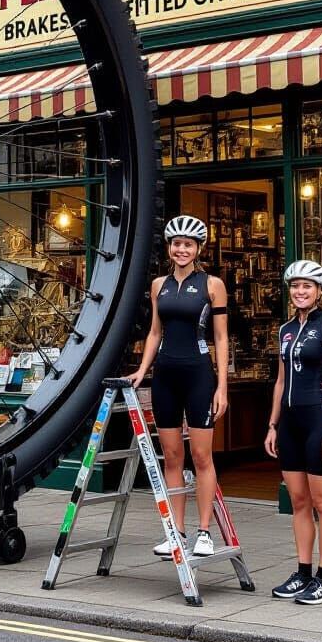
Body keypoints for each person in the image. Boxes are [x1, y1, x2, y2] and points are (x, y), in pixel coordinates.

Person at [129, 215, 229, 559]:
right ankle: (176, 531)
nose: (181, 249)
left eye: (188, 244)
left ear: (198, 248)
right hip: (166, 376)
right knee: (172, 456)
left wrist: (222, 387)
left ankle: (203, 532)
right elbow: (155, 332)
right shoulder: (159, 285)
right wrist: (143, 370)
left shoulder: (212, 284)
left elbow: (220, 336)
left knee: (201, 456)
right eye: (176, 244)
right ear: (169, 248)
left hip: (199, 375)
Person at [265, 260, 322, 605]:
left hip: (319, 420)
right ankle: (302, 573)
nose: (301, 292)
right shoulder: (284, 329)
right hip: (289, 425)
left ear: (319, 291)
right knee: (298, 502)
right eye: (296, 286)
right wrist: (272, 424)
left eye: (308, 287)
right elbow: (281, 381)